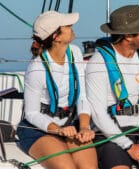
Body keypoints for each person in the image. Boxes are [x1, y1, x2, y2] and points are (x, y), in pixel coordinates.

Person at [85, 5, 139, 169]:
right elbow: (98, 114)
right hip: (110, 135)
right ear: (128, 36)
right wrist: (129, 146)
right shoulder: (98, 63)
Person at [16, 11, 98, 169]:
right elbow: (31, 113)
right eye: (67, 26)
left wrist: (84, 127)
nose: (72, 26)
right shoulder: (36, 69)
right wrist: (58, 130)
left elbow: (82, 95)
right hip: (38, 129)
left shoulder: (75, 52)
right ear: (56, 37)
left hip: (70, 124)